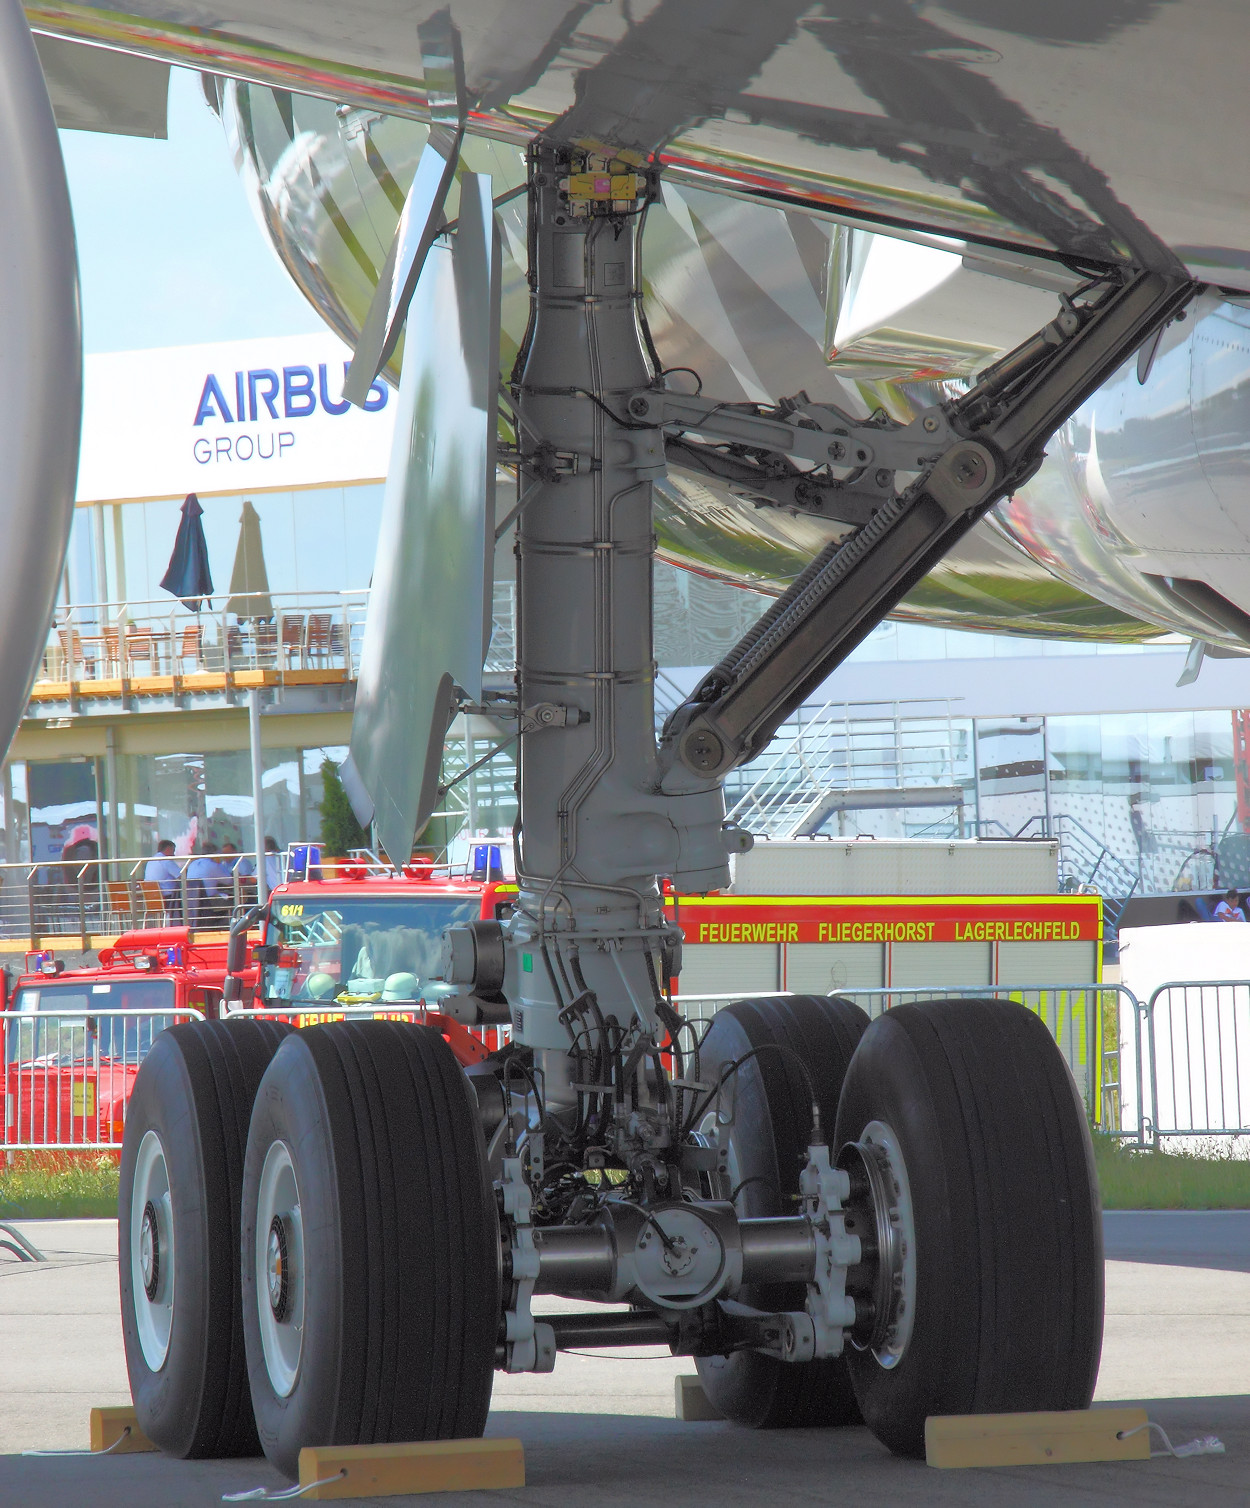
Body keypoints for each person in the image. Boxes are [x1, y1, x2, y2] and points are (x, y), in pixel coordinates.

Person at [144, 838, 182, 920]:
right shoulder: (166, 861)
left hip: (152, 898)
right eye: (173, 851)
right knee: (190, 898)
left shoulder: (151, 860)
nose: (174, 854)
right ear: (168, 849)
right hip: (167, 897)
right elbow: (181, 876)